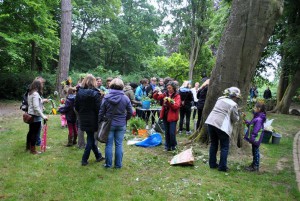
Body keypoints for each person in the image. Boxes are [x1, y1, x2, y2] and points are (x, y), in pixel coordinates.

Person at [99, 78, 133, 168]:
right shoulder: (125, 98)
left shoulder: (106, 97)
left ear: (111, 86)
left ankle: (108, 164)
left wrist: (101, 121)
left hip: (109, 124)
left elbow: (101, 111)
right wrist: (125, 119)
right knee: (119, 144)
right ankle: (118, 165)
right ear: (121, 86)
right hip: (121, 124)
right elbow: (130, 111)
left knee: (109, 144)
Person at [205, 87, 241, 172]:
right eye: (237, 97)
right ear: (234, 96)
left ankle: (212, 164)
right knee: (224, 146)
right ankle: (222, 167)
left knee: (213, 143)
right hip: (221, 125)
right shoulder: (233, 104)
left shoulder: (220, 99)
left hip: (210, 122)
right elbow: (235, 118)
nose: (237, 99)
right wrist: (239, 115)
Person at [75, 74, 104, 166]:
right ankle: (84, 159)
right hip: (93, 118)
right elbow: (98, 108)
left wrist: (82, 113)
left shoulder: (79, 92)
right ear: (94, 82)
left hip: (83, 117)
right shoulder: (96, 94)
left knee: (90, 136)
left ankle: (98, 156)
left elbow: (76, 106)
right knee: (90, 138)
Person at [153, 81, 181, 151]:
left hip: (173, 116)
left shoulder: (177, 96)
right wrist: (156, 92)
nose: (169, 89)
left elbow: (176, 106)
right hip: (165, 115)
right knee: (167, 132)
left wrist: (169, 102)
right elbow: (157, 97)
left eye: (170, 88)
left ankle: (173, 145)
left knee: (172, 132)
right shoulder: (165, 94)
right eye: (167, 88)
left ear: (174, 88)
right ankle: (167, 146)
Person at [26, 79, 48, 154]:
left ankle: (28, 147)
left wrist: (42, 101)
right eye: (41, 85)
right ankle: (33, 150)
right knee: (34, 133)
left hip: (31, 115)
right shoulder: (35, 94)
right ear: (38, 85)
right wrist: (43, 116)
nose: (42, 86)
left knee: (31, 132)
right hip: (35, 116)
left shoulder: (30, 93)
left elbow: (35, 103)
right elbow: (36, 107)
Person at [243, 102, 266, 172]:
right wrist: (246, 121)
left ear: (259, 109)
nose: (254, 109)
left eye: (255, 107)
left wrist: (252, 138)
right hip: (255, 138)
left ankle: (255, 166)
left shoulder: (259, 119)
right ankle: (254, 164)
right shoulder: (257, 117)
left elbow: (256, 130)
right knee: (254, 151)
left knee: (255, 151)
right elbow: (251, 125)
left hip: (256, 138)